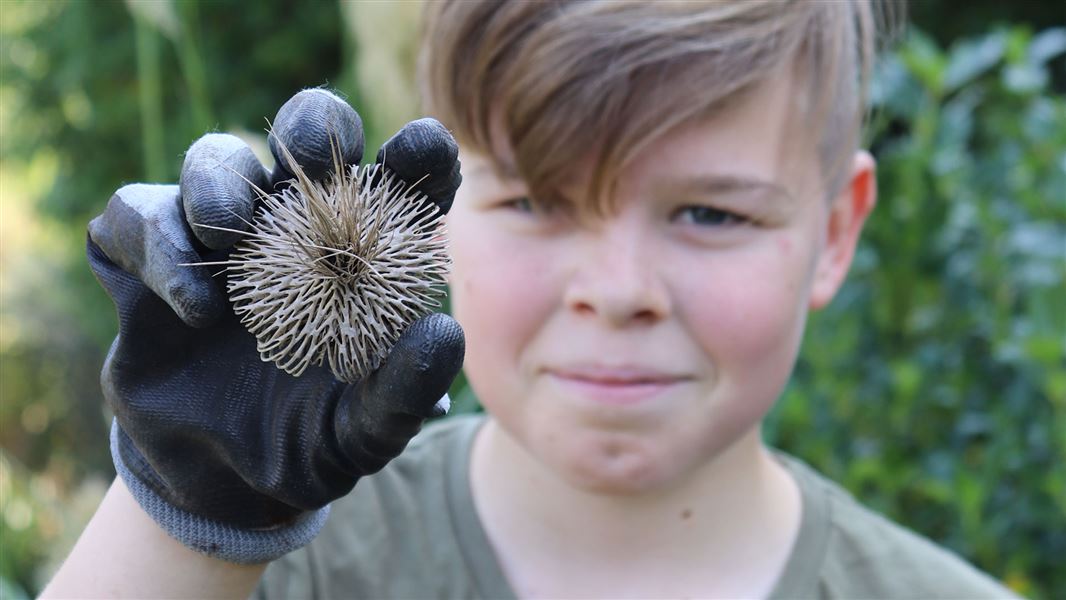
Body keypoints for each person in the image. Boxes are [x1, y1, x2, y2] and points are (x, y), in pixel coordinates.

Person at [44, 1, 1019, 598]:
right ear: (431, 212)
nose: (617, 292)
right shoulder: (257, 575)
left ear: (835, 233)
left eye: (711, 215)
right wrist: (186, 515)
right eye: (535, 201)